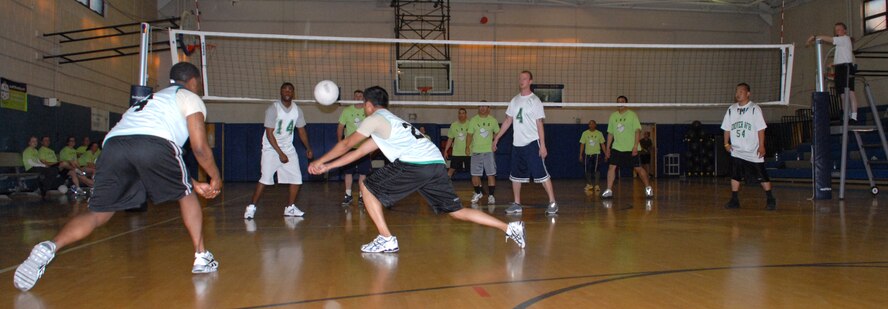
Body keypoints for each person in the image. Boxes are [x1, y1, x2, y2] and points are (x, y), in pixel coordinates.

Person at [13, 62, 223, 292]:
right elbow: (199, 148)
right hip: (155, 142)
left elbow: (156, 161)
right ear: (192, 81)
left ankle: (50, 247)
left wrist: (192, 182)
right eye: (199, 83)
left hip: (114, 146)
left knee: (98, 213)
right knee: (186, 195)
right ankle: (201, 256)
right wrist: (215, 178)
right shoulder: (190, 97)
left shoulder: (151, 99)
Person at [308, 86, 525, 253]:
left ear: (369, 105)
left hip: (416, 163)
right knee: (456, 211)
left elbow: (346, 143)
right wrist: (327, 166)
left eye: (364, 104)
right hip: (435, 164)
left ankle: (386, 238)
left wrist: (320, 161)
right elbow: (358, 152)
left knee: (366, 185)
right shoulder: (390, 122)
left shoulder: (375, 118)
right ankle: (510, 228)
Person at [244, 82, 314, 219]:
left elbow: (301, 131)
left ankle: (290, 208)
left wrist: (308, 148)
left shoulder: (297, 110)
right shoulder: (273, 109)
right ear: (281, 92)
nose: (287, 92)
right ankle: (251, 207)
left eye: (290, 90)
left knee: (297, 179)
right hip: (271, 148)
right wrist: (280, 153)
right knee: (265, 179)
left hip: (288, 148)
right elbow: (269, 133)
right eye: (285, 90)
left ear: (293, 93)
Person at [492, 71, 557, 215]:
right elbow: (508, 121)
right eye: (520, 78)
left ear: (530, 81)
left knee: (541, 174)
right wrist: (497, 138)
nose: (521, 80)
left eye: (525, 78)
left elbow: (540, 123)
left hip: (532, 143)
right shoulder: (514, 100)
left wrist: (543, 145)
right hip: (517, 145)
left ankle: (552, 202)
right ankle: (517, 204)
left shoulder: (535, 100)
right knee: (516, 176)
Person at [722, 83, 776, 210]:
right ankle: (734, 200)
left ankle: (770, 199)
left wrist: (761, 146)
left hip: (752, 151)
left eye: (741, 91)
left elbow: (761, 129)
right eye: (737, 91)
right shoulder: (731, 109)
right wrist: (726, 143)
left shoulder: (754, 109)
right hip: (737, 150)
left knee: (762, 176)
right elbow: (726, 128)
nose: (738, 94)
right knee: (735, 175)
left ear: (748, 94)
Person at [601, 96, 653, 199]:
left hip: (631, 148)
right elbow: (610, 133)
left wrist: (635, 146)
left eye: (622, 101)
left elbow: (637, 131)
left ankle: (648, 187)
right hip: (617, 147)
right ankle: (609, 190)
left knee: (638, 168)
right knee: (612, 167)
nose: (620, 103)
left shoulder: (632, 115)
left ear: (626, 103)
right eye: (618, 102)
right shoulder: (613, 116)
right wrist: (607, 148)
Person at [808, 22, 858, 121]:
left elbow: (830, 39)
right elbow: (842, 56)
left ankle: (854, 115)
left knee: (850, 92)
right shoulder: (840, 44)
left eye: (839, 29)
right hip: (839, 68)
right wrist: (832, 64)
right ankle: (846, 116)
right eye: (836, 30)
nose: (837, 31)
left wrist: (815, 36)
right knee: (842, 95)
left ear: (845, 30)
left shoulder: (845, 39)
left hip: (846, 68)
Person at [337, 90, 371, 207]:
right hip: (350, 147)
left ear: (364, 98)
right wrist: (340, 144)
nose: (358, 98)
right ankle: (348, 195)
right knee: (348, 172)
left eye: (360, 96)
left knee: (363, 173)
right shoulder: (347, 111)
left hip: (364, 147)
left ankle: (362, 196)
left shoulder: (367, 110)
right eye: (356, 96)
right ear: (353, 97)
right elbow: (340, 127)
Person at [466, 103, 499, 204]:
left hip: (489, 151)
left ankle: (491, 196)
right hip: (476, 151)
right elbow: (469, 135)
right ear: (478, 108)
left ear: (488, 108)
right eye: (480, 106)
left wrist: (495, 141)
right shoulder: (473, 120)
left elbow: (498, 132)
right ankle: (477, 193)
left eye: (484, 106)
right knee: (475, 174)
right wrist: (467, 146)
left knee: (491, 174)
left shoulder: (493, 120)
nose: (482, 108)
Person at [579, 120, 605, 192]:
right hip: (587, 154)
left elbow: (602, 144)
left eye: (593, 124)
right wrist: (580, 154)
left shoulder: (599, 133)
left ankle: (596, 185)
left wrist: (606, 154)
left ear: (595, 125)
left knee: (597, 170)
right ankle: (589, 184)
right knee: (587, 170)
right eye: (590, 124)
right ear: (588, 125)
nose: (591, 125)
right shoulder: (585, 133)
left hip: (597, 154)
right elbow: (582, 144)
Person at [444, 108, 470, 178]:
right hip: (457, 153)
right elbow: (450, 139)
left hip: (468, 152)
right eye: (460, 113)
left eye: (463, 113)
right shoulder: (454, 125)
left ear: (466, 115)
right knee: (451, 170)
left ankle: (478, 185)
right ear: (458, 115)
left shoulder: (470, 124)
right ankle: (445, 184)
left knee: (474, 172)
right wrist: (446, 150)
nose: (461, 115)